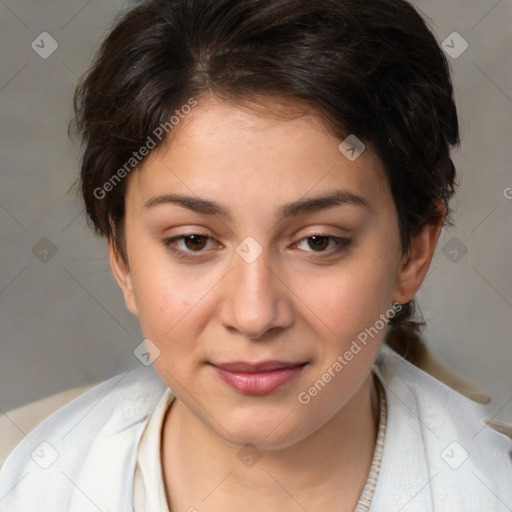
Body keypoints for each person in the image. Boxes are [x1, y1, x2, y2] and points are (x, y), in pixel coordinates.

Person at [0, 0, 511, 510]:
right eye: (194, 241)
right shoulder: (21, 479)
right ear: (121, 256)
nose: (254, 315)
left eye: (318, 241)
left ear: (413, 253)